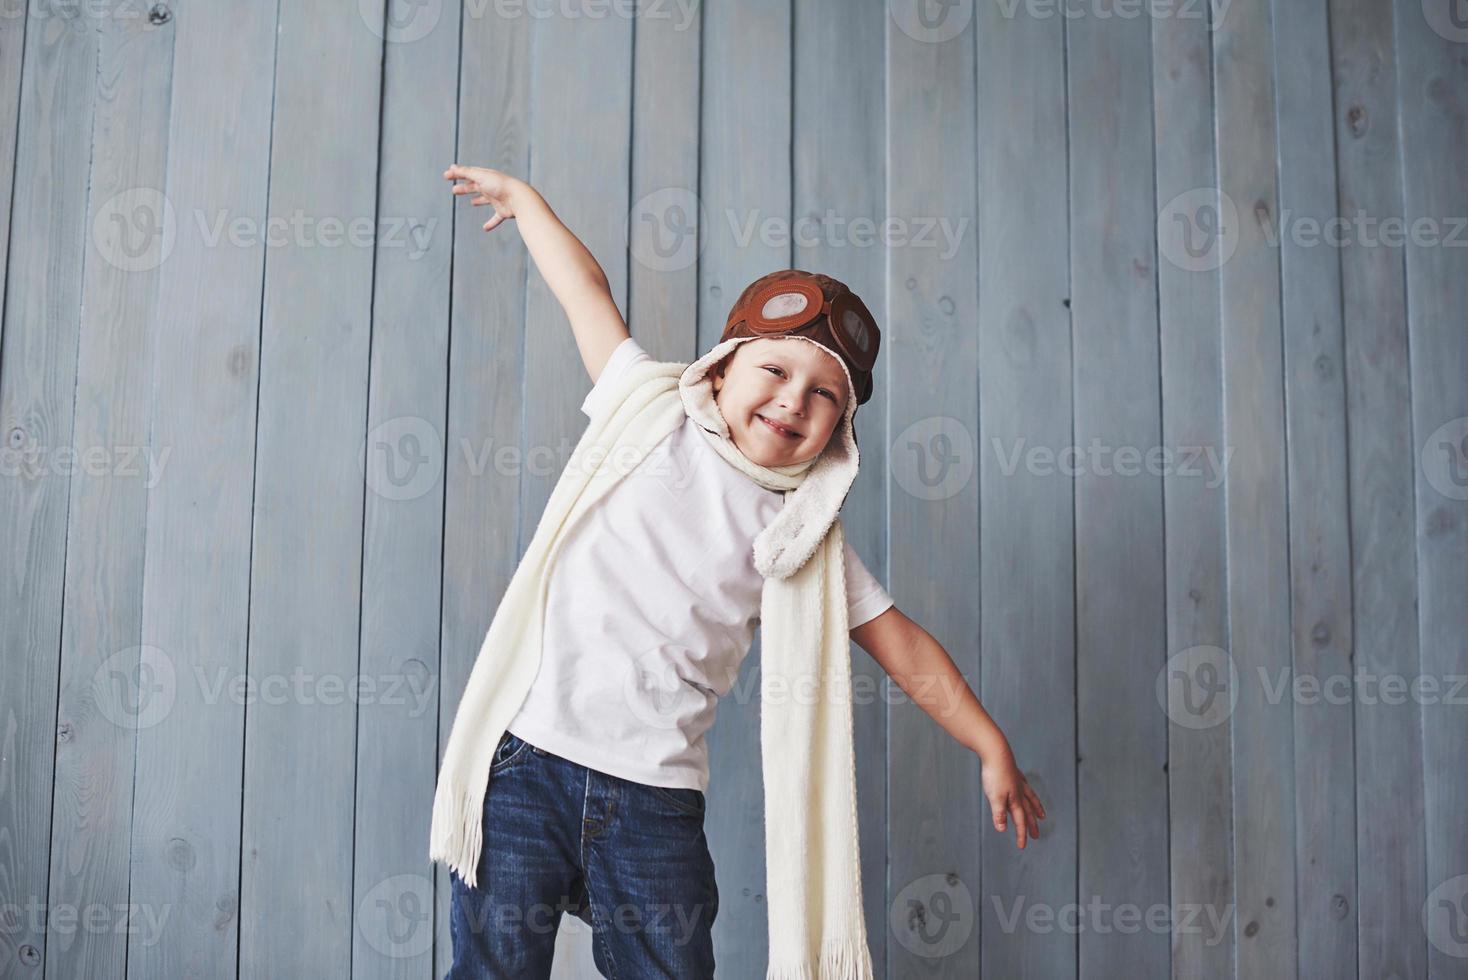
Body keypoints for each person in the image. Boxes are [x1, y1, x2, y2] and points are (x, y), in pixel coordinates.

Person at [433, 164, 1046, 980]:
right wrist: (527, 205)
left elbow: (904, 648)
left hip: (652, 797)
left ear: (838, 432)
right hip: (528, 760)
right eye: (777, 371)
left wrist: (988, 743)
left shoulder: (804, 534)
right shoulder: (644, 413)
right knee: (493, 968)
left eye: (825, 394)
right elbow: (588, 291)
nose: (795, 400)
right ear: (721, 369)